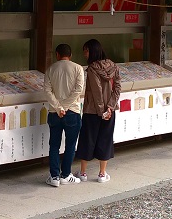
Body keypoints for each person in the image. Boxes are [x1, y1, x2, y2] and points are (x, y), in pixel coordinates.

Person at [76, 38, 121, 183]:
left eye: (86, 50)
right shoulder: (114, 66)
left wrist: (102, 111)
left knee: (87, 139)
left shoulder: (92, 69)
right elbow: (118, 88)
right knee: (105, 139)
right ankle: (102, 174)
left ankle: (83, 173)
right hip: (109, 111)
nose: (84, 54)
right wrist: (110, 108)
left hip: (92, 111)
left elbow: (96, 91)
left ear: (93, 51)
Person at [43, 44, 86, 187]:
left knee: (54, 145)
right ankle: (66, 175)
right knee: (70, 145)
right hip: (72, 112)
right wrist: (66, 107)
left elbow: (48, 92)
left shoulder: (50, 69)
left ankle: (54, 176)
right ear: (71, 55)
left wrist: (59, 107)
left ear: (57, 54)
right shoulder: (78, 68)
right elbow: (78, 89)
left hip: (55, 113)